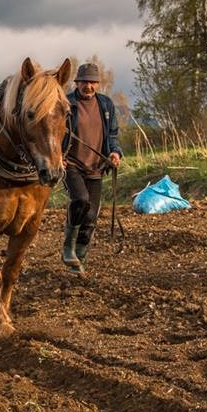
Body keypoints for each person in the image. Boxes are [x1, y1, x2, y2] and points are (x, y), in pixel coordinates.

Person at [61, 63, 122, 274]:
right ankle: (68, 248)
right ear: (77, 83)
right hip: (71, 164)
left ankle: (79, 260)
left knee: (92, 216)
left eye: (93, 82)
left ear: (98, 84)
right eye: (85, 81)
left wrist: (115, 152)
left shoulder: (105, 105)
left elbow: (112, 134)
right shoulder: (67, 103)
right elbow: (54, 132)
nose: (89, 86)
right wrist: (58, 156)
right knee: (81, 200)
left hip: (96, 165)